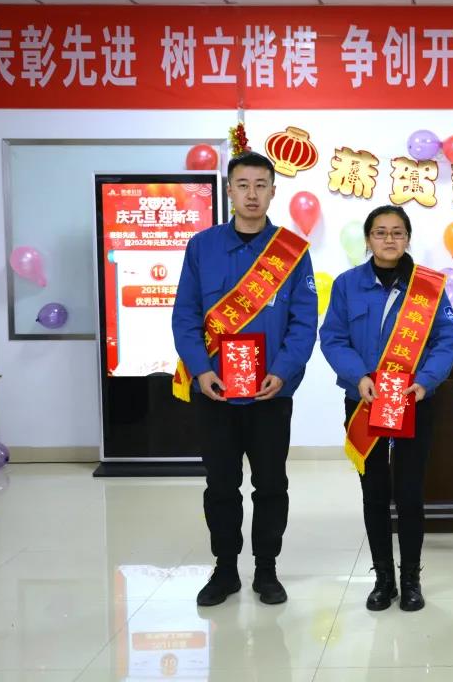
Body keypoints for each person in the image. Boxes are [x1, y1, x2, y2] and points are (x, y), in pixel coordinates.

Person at [172, 151, 318, 606]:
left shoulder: (292, 252)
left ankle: (267, 570)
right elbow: (185, 316)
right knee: (221, 485)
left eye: (260, 185)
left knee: (271, 485)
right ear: (229, 190)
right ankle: (225, 570)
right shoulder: (202, 247)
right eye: (243, 185)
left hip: (270, 394)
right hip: (214, 392)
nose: (252, 194)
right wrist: (202, 370)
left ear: (273, 191)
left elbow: (304, 322)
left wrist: (282, 372)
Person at [320, 205, 453, 612]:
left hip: (415, 400)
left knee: (411, 493)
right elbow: (333, 338)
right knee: (374, 492)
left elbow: (446, 339)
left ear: (408, 238)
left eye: (397, 232)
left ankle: (411, 578)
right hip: (363, 401)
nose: (389, 239)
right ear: (367, 240)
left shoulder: (428, 286)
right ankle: (383, 579)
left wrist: (426, 381)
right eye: (380, 232)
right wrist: (358, 376)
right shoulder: (347, 285)